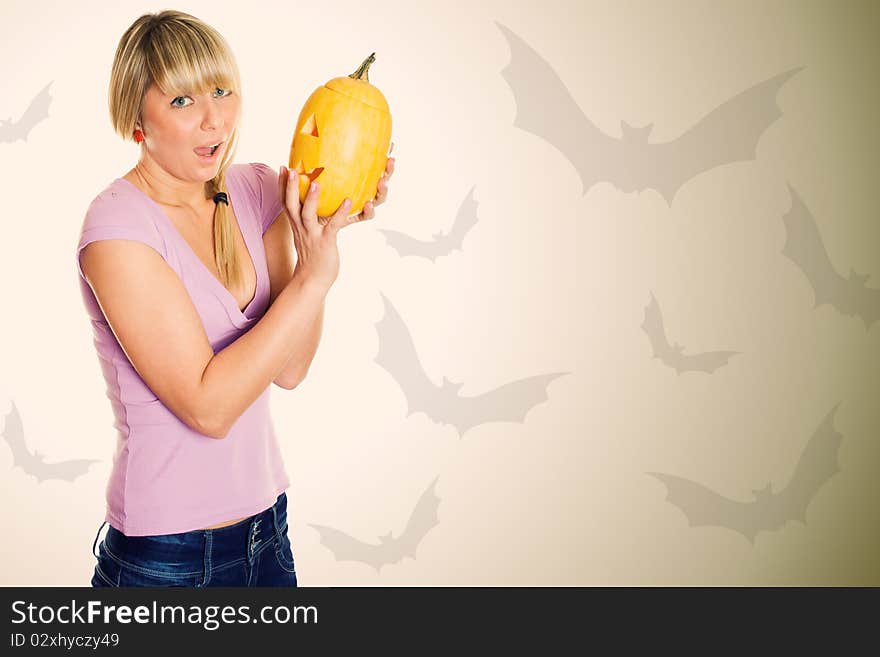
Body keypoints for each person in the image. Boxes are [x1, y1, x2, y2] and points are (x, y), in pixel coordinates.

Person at [77, 10, 395, 587]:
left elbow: (291, 368)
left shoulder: (254, 188)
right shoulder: (117, 229)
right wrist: (314, 279)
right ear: (135, 117)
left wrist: (316, 235)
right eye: (182, 101)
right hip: (164, 558)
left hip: (267, 533)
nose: (214, 120)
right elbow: (209, 407)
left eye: (222, 91)